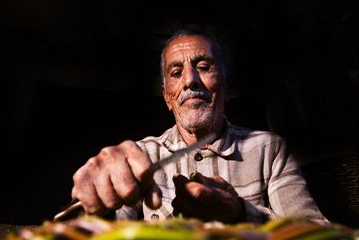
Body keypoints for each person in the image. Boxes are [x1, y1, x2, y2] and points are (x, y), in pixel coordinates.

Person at [70, 27, 327, 224]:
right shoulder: (141, 157)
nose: (190, 81)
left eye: (204, 67)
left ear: (227, 88)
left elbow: (316, 235)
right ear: (167, 97)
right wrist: (94, 202)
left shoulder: (268, 149)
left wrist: (239, 212)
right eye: (175, 73)